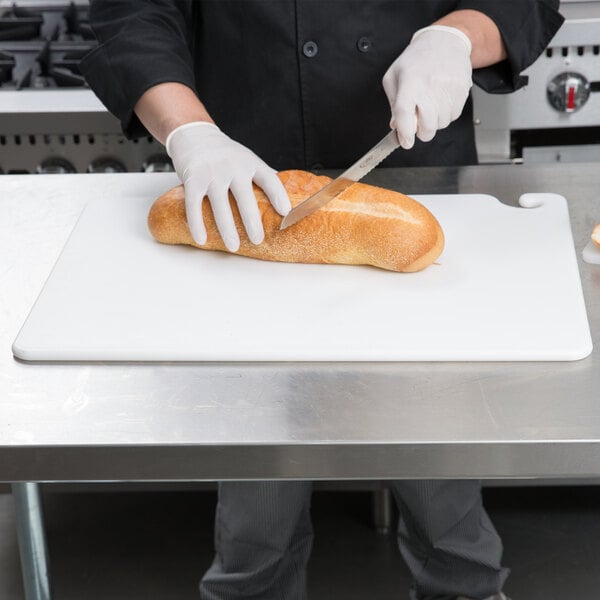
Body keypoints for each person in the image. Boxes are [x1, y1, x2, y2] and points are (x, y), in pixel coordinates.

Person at [81, 2, 563, 599]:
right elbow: (135, 12)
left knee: (441, 478)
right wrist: (189, 131)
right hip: (236, 187)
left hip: (413, 169)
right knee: (256, 510)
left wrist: (455, 37)